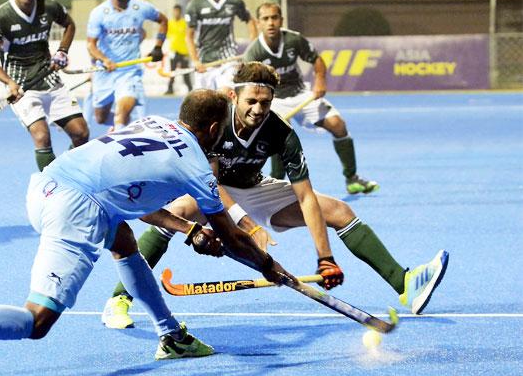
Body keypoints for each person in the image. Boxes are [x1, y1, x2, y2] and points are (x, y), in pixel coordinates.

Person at [0, 89, 300, 372]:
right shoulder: (195, 164)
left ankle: (171, 334)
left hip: (46, 184)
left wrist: (187, 229)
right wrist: (268, 265)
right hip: (75, 209)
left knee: (122, 241)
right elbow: (231, 237)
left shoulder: (151, 122)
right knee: (37, 322)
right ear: (213, 129)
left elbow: (130, 198)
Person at [101, 62, 448, 329]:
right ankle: (119, 300)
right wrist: (249, 226)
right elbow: (212, 186)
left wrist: (323, 256)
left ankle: (404, 283)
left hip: (256, 187)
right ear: (234, 97)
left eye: (265, 103)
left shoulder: (281, 132)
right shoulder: (215, 122)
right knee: (178, 212)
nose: (258, 109)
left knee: (339, 210)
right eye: (251, 101)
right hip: (211, 188)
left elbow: (306, 197)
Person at [244, 2, 377, 194]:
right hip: (274, 100)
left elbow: (316, 59)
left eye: (274, 17)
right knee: (277, 136)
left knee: (338, 125)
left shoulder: (293, 40)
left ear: (281, 20)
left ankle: (352, 178)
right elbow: (251, 87)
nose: (271, 23)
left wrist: (320, 81)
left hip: (301, 94)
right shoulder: (254, 52)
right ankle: (273, 187)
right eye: (265, 19)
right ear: (258, 23)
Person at [0, 0, 89, 172]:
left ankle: (68, 173)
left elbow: (69, 24)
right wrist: (9, 83)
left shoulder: (49, 6)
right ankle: (50, 186)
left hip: (49, 77)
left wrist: (62, 51)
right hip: (22, 85)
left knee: (81, 133)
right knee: (41, 136)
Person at [86, 0, 167, 130]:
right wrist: (104, 60)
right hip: (106, 72)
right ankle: (125, 127)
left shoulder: (141, 7)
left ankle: (121, 140)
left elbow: (163, 21)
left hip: (130, 72)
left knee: (120, 115)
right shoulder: (99, 13)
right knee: (100, 118)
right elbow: (91, 45)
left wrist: (158, 46)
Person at [184, 0, 257, 92]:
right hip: (204, 62)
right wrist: (195, 61)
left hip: (228, 61)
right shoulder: (195, 5)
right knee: (203, 104)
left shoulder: (234, 1)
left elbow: (251, 21)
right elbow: (189, 37)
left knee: (225, 95)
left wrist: (252, 49)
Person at [165, 4, 193, 94]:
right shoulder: (170, 23)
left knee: (186, 72)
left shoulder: (185, 23)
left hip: (184, 52)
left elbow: (189, 36)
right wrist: (169, 50)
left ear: (180, 12)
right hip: (174, 52)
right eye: (175, 11)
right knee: (172, 72)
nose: (176, 13)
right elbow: (168, 36)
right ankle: (170, 89)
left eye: (178, 11)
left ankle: (190, 89)